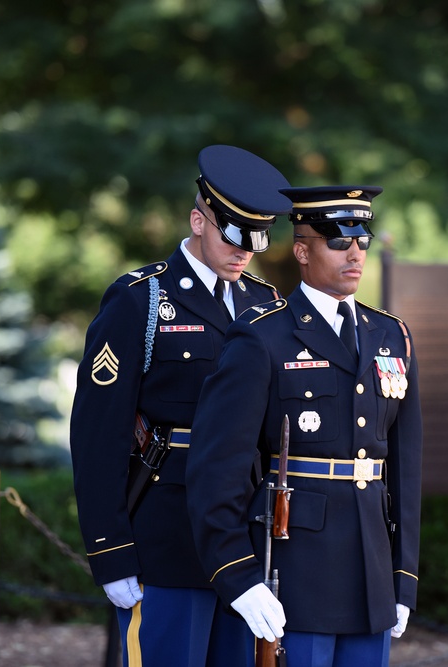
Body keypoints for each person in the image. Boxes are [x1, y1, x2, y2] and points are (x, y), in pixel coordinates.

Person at [69, 144, 292, 666]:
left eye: (256, 240)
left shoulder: (267, 305)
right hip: (164, 539)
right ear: (198, 220)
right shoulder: (140, 300)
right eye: (233, 236)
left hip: (242, 538)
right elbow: (98, 433)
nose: (245, 252)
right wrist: (109, 550)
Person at [185, 185, 423, 667]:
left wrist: (403, 576)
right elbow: (218, 468)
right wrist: (237, 575)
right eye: (338, 241)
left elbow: (405, 466)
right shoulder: (262, 335)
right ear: (301, 250)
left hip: (371, 571)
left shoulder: (390, 334)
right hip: (297, 571)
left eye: (362, 241)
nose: (354, 253)